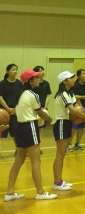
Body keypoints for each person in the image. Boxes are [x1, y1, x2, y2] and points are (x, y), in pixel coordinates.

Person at [4, 69, 57, 202]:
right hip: (29, 127)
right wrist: (50, 120)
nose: (39, 79)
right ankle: (40, 192)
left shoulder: (22, 94)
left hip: (19, 128)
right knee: (36, 160)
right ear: (30, 81)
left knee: (19, 160)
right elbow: (41, 113)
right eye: (36, 78)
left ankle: (9, 192)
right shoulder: (33, 95)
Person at [52, 70, 85, 191]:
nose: (74, 79)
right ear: (65, 81)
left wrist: (82, 113)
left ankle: (59, 180)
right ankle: (57, 182)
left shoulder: (70, 93)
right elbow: (72, 110)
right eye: (71, 78)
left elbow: (77, 108)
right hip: (61, 123)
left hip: (67, 123)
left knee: (62, 154)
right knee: (60, 154)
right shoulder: (62, 94)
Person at [0, 64, 23, 141]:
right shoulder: (2, 83)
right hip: (4, 112)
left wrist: (16, 109)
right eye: (13, 69)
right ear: (7, 71)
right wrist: (8, 109)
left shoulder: (19, 83)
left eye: (16, 69)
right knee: (3, 134)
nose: (15, 71)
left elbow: (22, 97)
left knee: (16, 134)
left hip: (15, 112)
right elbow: (0, 97)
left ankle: (17, 148)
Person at [70, 69, 85, 151]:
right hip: (76, 107)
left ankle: (77, 144)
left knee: (82, 127)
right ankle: (69, 144)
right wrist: (80, 106)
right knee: (74, 127)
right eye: (83, 73)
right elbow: (74, 97)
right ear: (78, 76)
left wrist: (79, 97)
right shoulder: (74, 85)